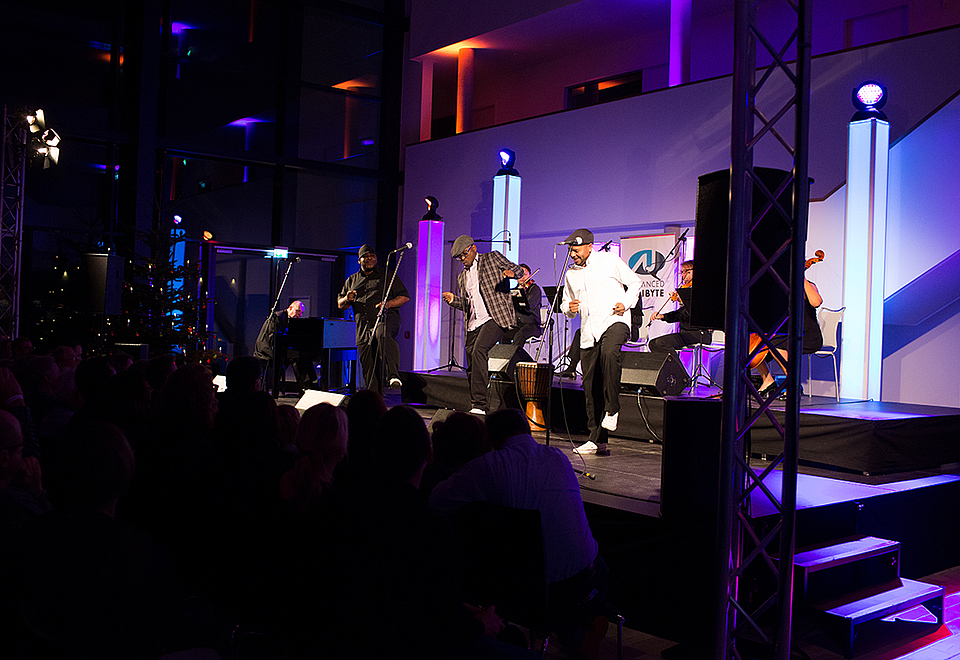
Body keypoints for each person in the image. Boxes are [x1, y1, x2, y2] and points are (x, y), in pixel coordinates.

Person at [560, 228, 641, 456]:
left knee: (609, 353)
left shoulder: (609, 261)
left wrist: (625, 302)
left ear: (589, 246)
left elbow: (635, 283)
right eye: (571, 250)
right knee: (590, 386)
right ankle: (596, 440)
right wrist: (569, 308)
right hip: (589, 332)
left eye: (576, 249)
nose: (573, 254)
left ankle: (613, 408)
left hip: (615, 320)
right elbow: (566, 304)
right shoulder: (571, 274)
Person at [442, 235, 525, 414]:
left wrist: (512, 274)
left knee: (479, 350)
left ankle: (479, 404)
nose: (462, 259)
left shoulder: (491, 258)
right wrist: (454, 300)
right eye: (459, 257)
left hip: (494, 317)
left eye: (464, 254)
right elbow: (467, 304)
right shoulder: (462, 277)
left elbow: (519, 271)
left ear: (473, 248)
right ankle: (477, 404)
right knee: (472, 363)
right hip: (474, 323)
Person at [337, 244, 410, 393]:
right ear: (359, 260)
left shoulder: (387, 275)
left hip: (385, 318)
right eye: (366, 257)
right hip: (363, 325)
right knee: (368, 365)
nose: (369, 259)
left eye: (372, 256)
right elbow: (340, 304)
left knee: (382, 334)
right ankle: (374, 398)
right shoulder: (352, 280)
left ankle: (393, 375)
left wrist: (388, 304)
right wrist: (347, 298)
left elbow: (404, 297)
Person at [755, 276, 823, 397]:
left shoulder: (808, 285)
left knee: (776, 345)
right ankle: (768, 381)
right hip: (787, 334)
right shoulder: (781, 288)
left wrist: (802, 278)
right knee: (752, 344)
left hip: (807, 335)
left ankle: (793, 383)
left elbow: (816, 302)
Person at [648, 260, 713, 361]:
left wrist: (684, 301)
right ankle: (668, 369)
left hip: (699, 333)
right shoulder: (686, 289)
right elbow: (680, 314)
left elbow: (695, 314)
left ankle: (678, 370)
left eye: (687, 271)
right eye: (682, 272)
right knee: (653, 343)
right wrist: (662, 316)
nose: (683, 275)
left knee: (662, 343)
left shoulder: (703, 291)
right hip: (686, 333)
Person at [254, 299, 316, 394]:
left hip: (279, 348)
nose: (299, 314)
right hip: (267, 350)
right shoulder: (277, 317)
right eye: (298, 311)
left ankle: (308, 385)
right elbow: (272, 339)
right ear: (290, 308)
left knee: (302, 356)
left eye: (302, 313)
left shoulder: (291, 319)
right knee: (296, 358)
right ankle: (304, 386)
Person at [501, 263, 543, 347]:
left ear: (529, 275)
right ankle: (505, 354)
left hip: (532, 324)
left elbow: (529, 307)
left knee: (520, 334)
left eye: (525, 275)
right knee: (503, 334)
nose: (522, 277)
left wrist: (521, 295)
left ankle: (514, 354)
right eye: (520, 275)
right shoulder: (513, 291)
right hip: (518, 324)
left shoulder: (534, 289)